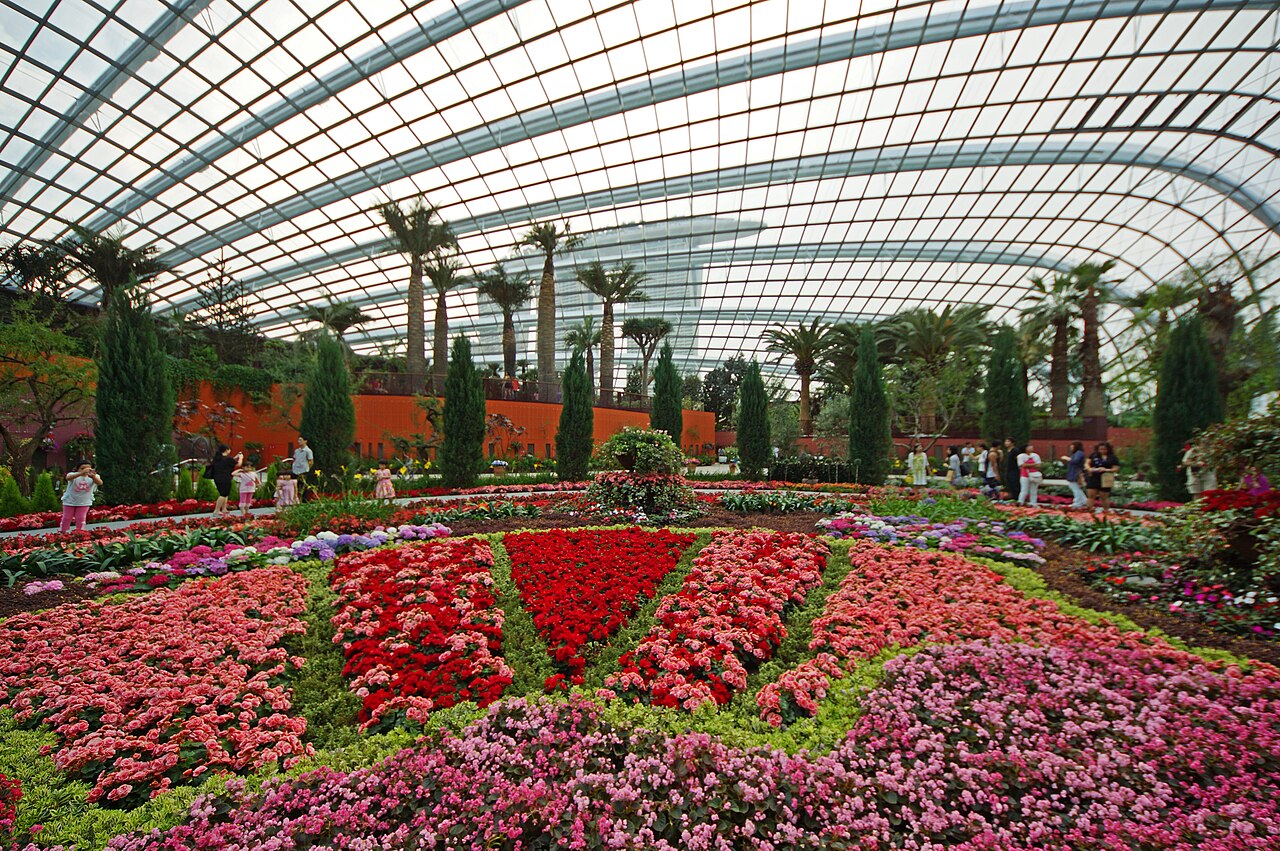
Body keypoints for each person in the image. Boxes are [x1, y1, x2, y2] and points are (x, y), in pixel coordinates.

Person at [59, 462, 101, 532]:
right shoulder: (73, 475)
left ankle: (80, 533)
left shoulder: (94, 476)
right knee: (67, 518)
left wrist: (93, 477)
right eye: (82, 468)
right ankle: (63, 532)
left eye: (88, 469)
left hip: (84, 502)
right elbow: (68, 477)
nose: (85, 470)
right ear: (77, 469)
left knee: (80, 518)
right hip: (69, 501)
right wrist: (81, 473)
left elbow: (100, 482)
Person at [1085, 441, 1119, 512]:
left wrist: (1106, 470)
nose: (1102, 451)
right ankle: (1089, 510)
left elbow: (1116, 468)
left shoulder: (1112, 457)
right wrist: (1090, 469)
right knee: (1091, 495)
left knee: (1104, 496)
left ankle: (1106, 511)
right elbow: (1087, 463)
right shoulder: (1093, 455)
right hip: (1093, 477)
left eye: (1104, 449)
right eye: (1100, 449)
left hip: (1105, 478)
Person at [210, 444, 242, 517]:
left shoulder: (217, 458)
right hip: (225, 478)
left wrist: (236, 457)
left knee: (225, 493)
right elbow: (238, 464)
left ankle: (224, 508)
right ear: (226, 450)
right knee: (223, 494)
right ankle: (217, 510)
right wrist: (241, 458)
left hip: (217, 477)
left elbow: (228, 462)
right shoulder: (228, 459)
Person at [1060, 441, 1088, 508]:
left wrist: (1067, 458)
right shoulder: (1077, 453)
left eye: (1072, 447)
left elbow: (1075, 461)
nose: (1071, 448)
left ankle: (1077, 503)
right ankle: (1084, 501)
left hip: (1075, 473)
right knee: (1075, 487)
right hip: (1073, 472)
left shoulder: (1079, 453)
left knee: (1075, 488)